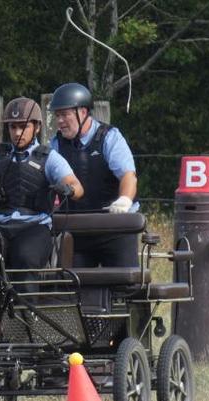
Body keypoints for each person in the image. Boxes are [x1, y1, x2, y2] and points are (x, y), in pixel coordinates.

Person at [0, 96, 83, 278]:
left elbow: (77, 187)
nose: (17, 133)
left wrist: (68, 189)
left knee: (24, 257)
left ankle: (26, 306)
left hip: (35, 226)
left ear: (37, 127)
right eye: (12, 127)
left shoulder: (49, 157)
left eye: (23, 126)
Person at [49, 82, 139, 267]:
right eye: (57, 115)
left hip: (113, 228)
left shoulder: (109, 137)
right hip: (76, 231)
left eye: (65, 114)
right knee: (72, 288)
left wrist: (124, 200)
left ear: (83, 112)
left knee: (126, 285)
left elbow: (128, 175)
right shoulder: (55, 145)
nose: (59, 121)